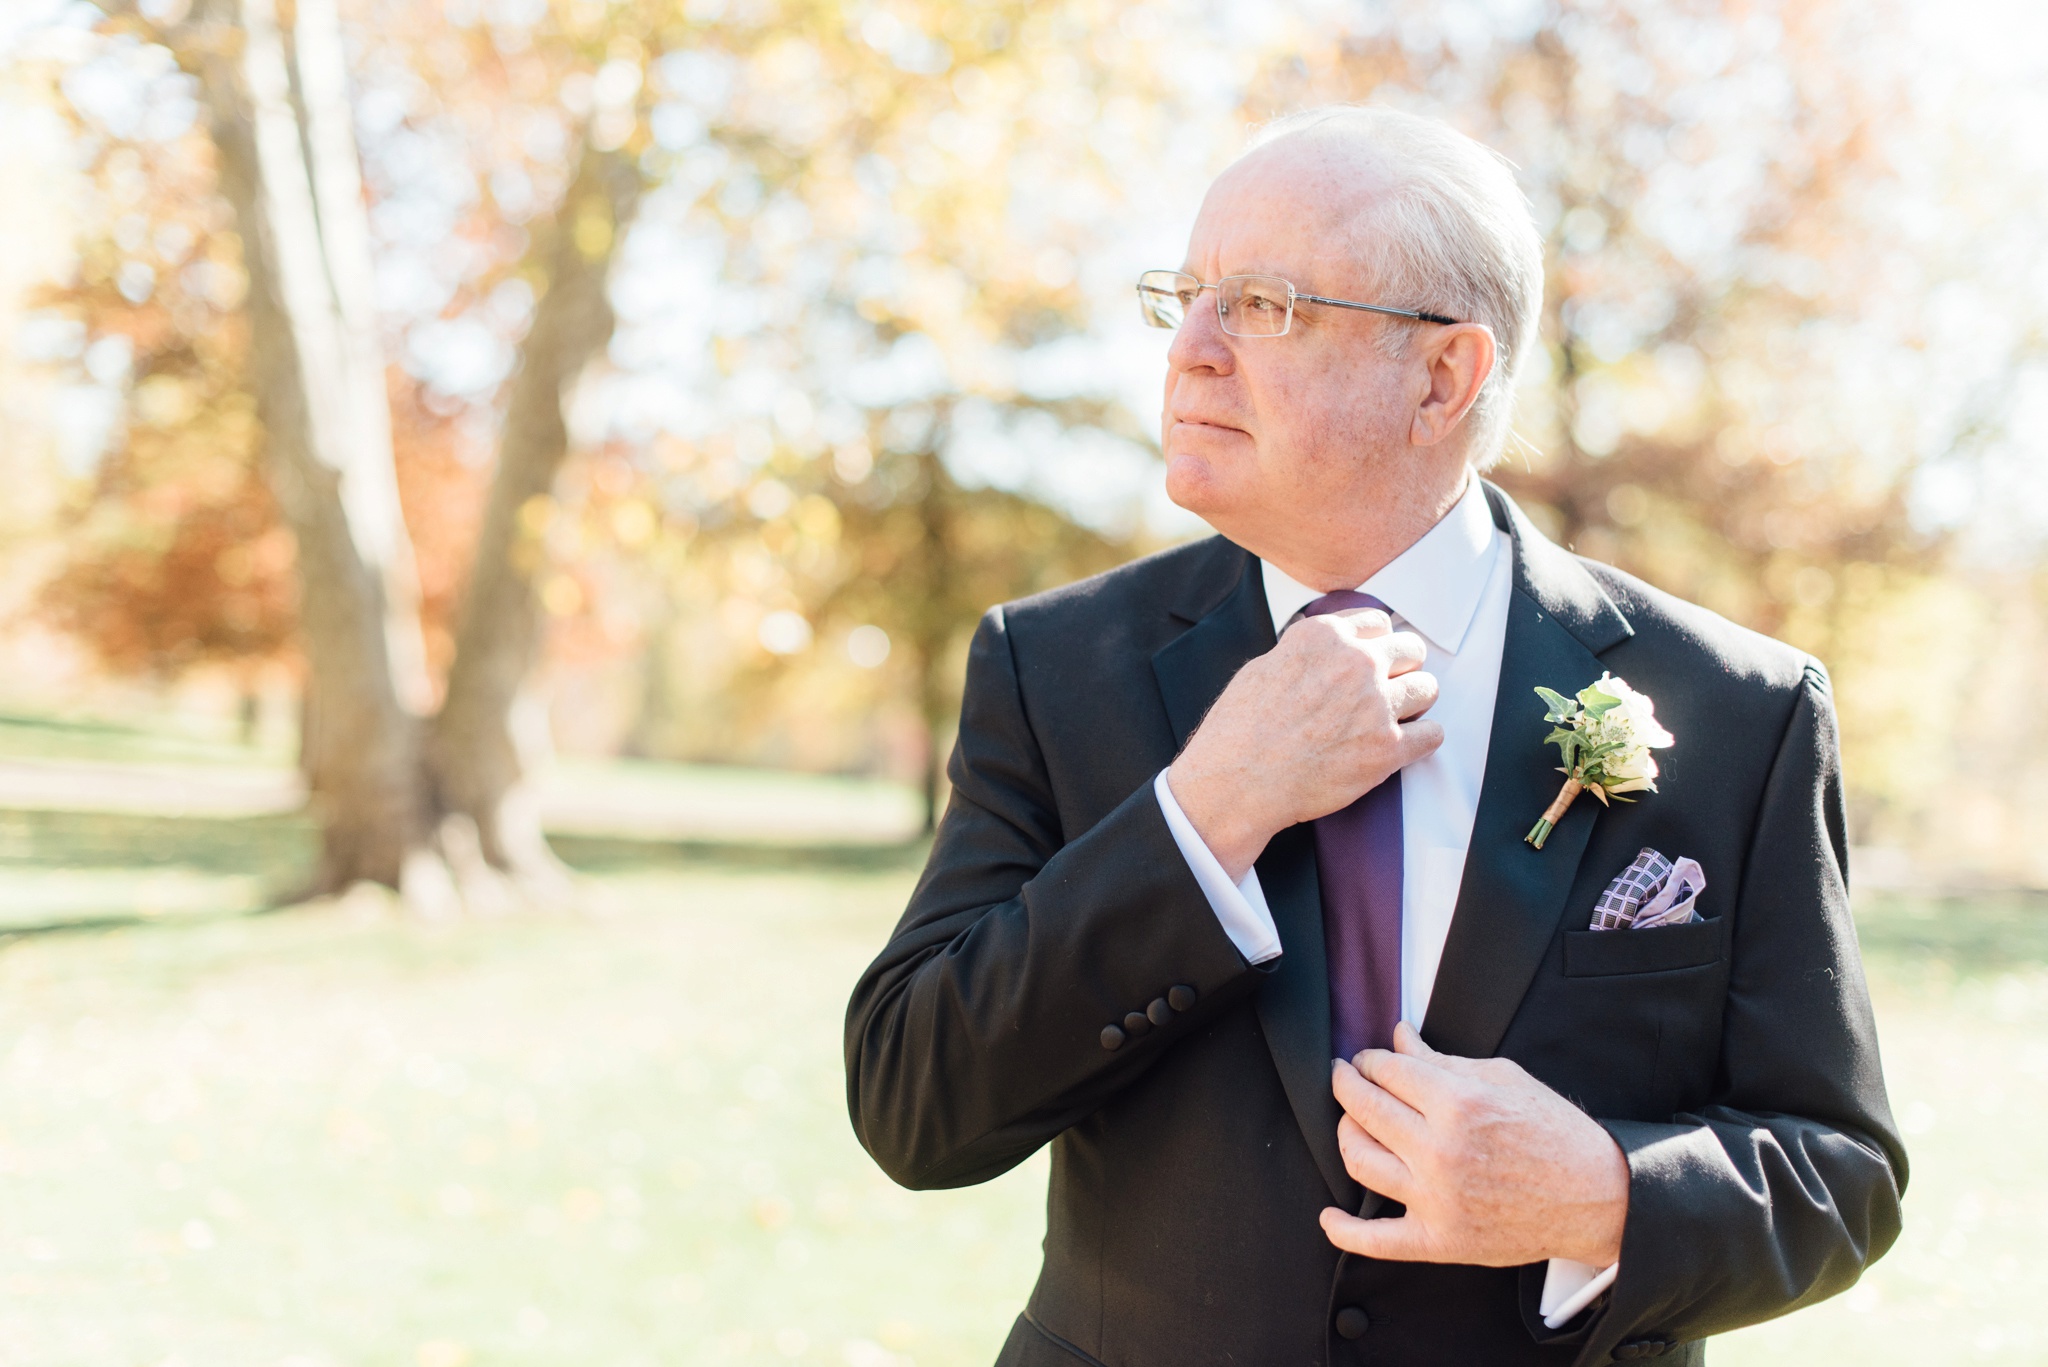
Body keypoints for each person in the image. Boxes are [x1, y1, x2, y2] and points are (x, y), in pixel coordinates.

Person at [843, 105, 1904, 1367]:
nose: (1187, 350)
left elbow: (1839, 1171)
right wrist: (1204, 812)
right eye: (1182, 298)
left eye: (1261, 305)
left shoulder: (1743, 709)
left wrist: (1604, 1193)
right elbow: (915, 1102)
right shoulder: (1054, 666)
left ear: (1442, 375)